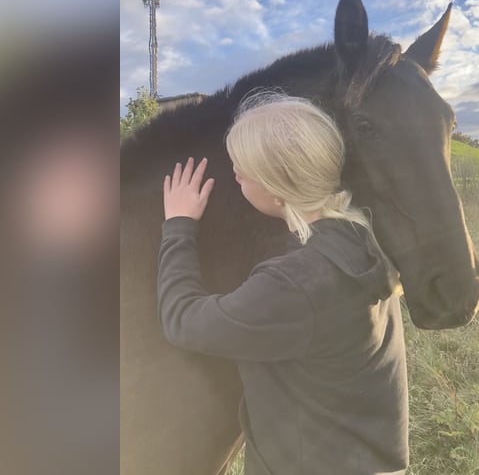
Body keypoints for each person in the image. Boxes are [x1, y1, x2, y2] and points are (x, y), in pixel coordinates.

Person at [157, 93, 409, 475]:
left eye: (242, 169)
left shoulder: (295, 285)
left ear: (276, 187)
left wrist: (178, 224)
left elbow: (182, 320)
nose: (236, 175)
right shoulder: (361, 240)